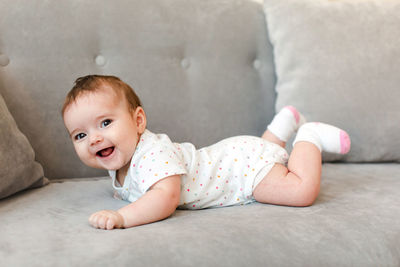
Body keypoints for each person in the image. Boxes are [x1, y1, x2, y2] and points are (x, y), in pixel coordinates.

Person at [62, 75, 351, 230]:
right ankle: (279, 128)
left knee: (299, 192)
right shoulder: (122, 159)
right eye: (81, 135)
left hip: (243, 172)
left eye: (105, 122)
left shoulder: (152, 152)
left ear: (138, 121)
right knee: (269, 153)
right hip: (236, 155)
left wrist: (123, 217)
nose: (94, 139)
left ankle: (308, 136)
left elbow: (165, 198)